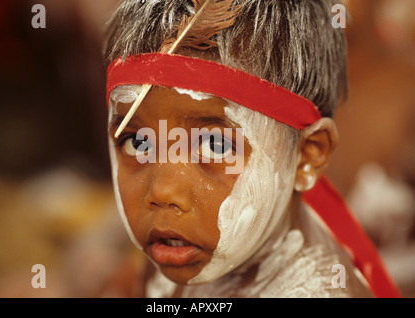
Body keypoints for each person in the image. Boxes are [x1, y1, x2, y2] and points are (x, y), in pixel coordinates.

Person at [102, 0, 400, 297]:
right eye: (137, 142)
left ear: (307, 156)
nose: (162, 192)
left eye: (214, 145)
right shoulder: (172, 259)